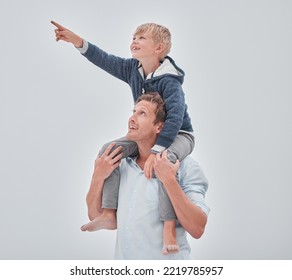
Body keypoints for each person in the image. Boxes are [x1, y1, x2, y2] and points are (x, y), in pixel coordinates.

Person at [51, 20, 195, 254]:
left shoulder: (170, 82)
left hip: (178, 134)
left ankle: (169, 224)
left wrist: (157, 151)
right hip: (149, 134)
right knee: (110, 149)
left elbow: (176, 118)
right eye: (134, 37)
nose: (134, 41)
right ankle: (109, 214)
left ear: (159, 48)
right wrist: (77, 41)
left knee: (163, 164)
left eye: (141, 38)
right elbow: (104, 59)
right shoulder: (132, 70)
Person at [81, 93, 209, 259]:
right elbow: (96, 216)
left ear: (160, 127)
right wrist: (97, 176)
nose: (132, 118)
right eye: (133, 111)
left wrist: (169, 180)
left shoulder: (186, 167)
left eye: (142, 113)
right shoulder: (120, 165)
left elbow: (198, 228)